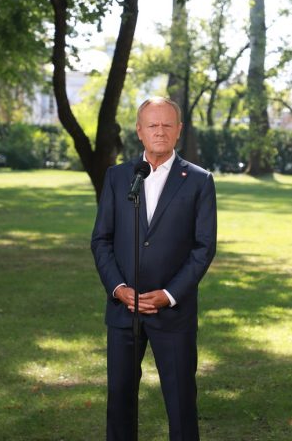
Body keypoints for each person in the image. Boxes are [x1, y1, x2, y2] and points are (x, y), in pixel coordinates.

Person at [91, 97, 217, 441]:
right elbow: (101, 239)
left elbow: (203, 247)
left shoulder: (199, 180)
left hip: (172, 314)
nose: (159, 131)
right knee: (119, 402)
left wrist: (168, 294)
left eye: (166, 125)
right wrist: (119, 289)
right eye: (152, 125)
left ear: (179, 130)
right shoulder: (119, 177)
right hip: (123, 312)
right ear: (139, 131)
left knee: (180, 404)